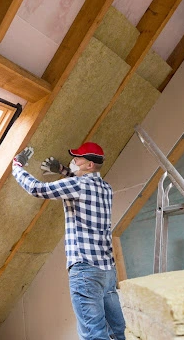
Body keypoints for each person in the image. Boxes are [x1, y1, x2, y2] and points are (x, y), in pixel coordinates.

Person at [12, 142, 126, 340]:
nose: (73, 160)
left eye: (78, 158)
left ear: (89, 165)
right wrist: (63, 170)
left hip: (85, 271)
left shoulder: (77, 185)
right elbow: (82, 187)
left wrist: (17, 167)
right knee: (117, 331)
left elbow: (37, 189)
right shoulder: (106, 188)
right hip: (107, 271)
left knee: (94, 335)